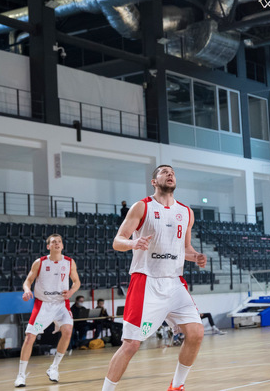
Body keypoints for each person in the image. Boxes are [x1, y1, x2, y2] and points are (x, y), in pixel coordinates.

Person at [102, 165, 207, 391]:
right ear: (154, 181)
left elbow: (185, 248)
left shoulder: (186, 212)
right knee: (131, 345)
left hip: (175, 282)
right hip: (147, 281)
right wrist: (133, 243)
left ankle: (176, 386)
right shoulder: (142, 206)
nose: (170, 174)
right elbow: (118, 241)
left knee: (196, 333)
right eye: (164, 172)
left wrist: (196, 256)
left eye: (172, 172)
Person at [15, 234, 81, 387]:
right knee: (29, 338)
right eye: (53, 242)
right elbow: (28, 281)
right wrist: (27, 290)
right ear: (48, 246)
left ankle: (54, 367)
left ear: (62, 246)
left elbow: (76, 282)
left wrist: (71, 291)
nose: (57, 244)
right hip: (43, 306)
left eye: (59, 242)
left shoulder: (69, 262)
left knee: (68, 331)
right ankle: (21, 375)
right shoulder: (40, 262)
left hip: (61, 304)